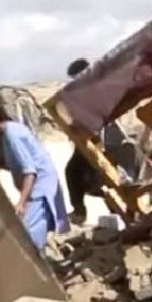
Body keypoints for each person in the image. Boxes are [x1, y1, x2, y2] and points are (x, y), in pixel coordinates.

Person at [0, 98, 69, 252]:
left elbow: (30, 171)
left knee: (27, 237)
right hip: (38, 189)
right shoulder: (11, 132)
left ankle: (35, 272)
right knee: (31, 235)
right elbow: (14, 164)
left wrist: (22, 202)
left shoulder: (12, 135)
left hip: (40, 190)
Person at [61, 58, 140, 224]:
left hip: (113, 142)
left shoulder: (101, 87)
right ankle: (81, 211)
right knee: (75, 170)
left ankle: (127, 217)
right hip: (97, 141)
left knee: (114, 180)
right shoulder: (83, 94)